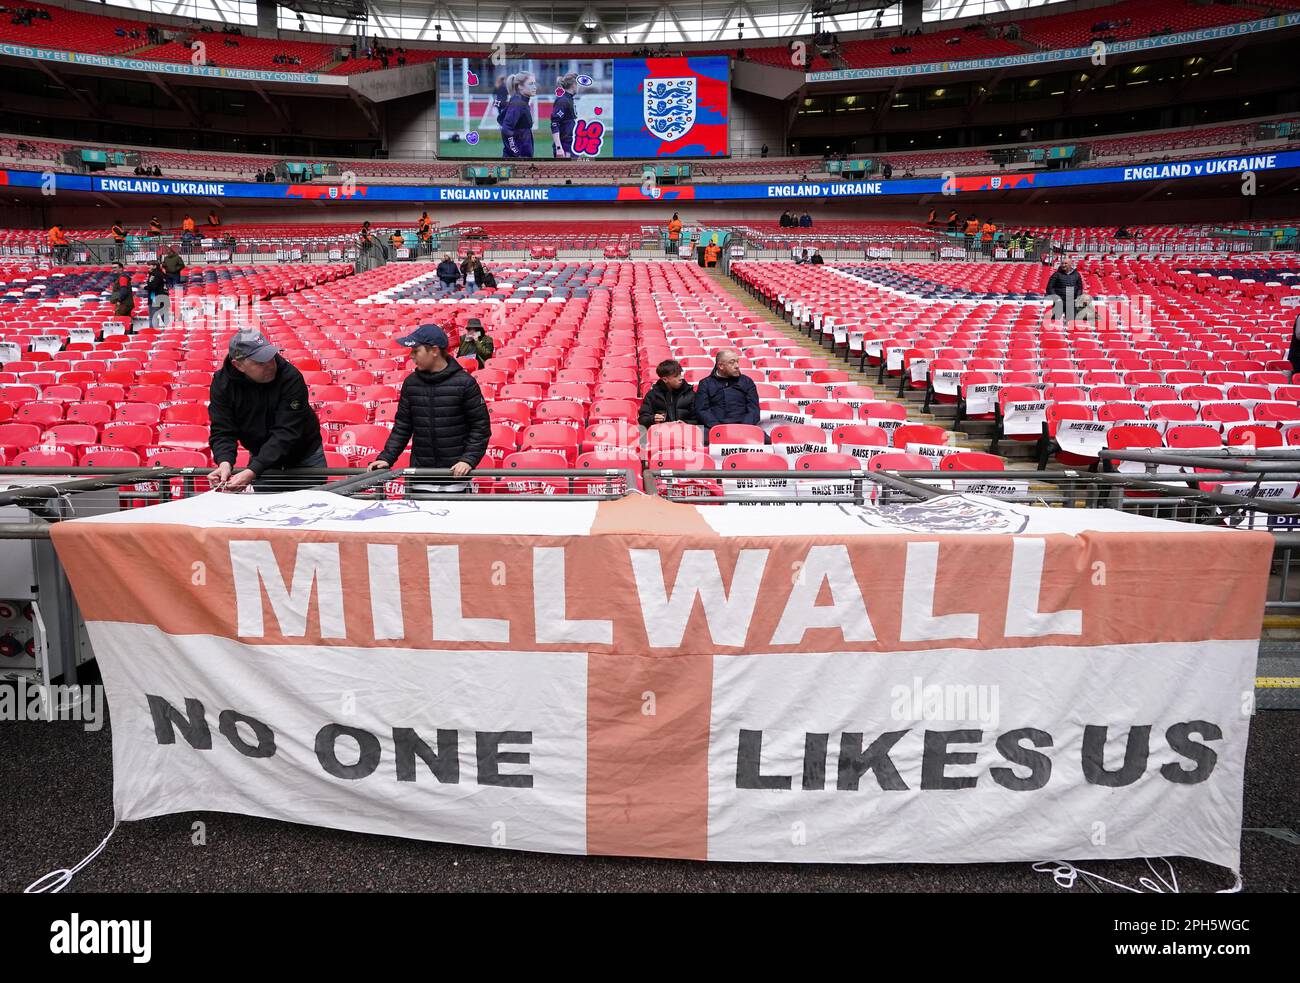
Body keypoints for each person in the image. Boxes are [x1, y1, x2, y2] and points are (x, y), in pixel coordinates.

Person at [368, 324, 491, 487]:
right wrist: (386, 458)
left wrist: (468, 460)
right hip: (421, 476)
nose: (411, 356)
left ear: (434, 351)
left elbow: (480, 427)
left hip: (454, 478)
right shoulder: (411, 383)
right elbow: (403, 427)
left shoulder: (465, 383)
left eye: (416, 351)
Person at [207, 330, 327, 494]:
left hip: (304, 456)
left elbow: (287, 431)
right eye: (260, 362)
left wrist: (254, 470)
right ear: (238, 365)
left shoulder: (290, 377)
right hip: (263, 459)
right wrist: (224, 462)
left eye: (270, 357)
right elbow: (222, 429)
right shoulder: (222, 384)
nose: (270, 365)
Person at [695, 349, 760, 434]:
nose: (737, 366)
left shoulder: (747, 382)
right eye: (732, 362)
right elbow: (702, 410)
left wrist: (744, 428)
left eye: (737, 362)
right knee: (694, 438)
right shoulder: (705, 383)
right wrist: (718, 428)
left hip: (744, 428)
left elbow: (754, 410)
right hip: (714, 428)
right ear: (721, 366)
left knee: (767, 441)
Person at [638, 359, 697, 428]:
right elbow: (642, 419)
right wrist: (653, 419)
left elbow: (698, 419)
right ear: (665, 379)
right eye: (676, 376)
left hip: (685, 433)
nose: (681, 377)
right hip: (661, 434)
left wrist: (686, 423)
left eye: (680, 374)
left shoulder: (690, 394)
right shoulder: (652, 395)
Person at [499, 72, 537, 159]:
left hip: (523, 156)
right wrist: (516, 152)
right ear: (520, 86)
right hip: (516, 160)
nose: (534, 87)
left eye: (534, 83)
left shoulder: (522, 102)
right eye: (531, 84)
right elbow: (506, 129)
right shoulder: (518, 103)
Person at [551, 72, 578, 158]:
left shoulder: (569, 99)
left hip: (571, 145)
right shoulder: (563, 100)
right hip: (565, 146)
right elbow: (554, 124)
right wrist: (559, 148)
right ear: (574, 84)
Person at [145, 260, 170, 327]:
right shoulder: (162, 274)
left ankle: (152, 333)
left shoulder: (154, 274)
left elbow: (153, 286)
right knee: (165, 317)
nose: (147, 266)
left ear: (154, 266)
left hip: (155, 297)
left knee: (153, 317)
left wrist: (145, 287)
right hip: (164, 297)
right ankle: (171, 330)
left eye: (149, 265)